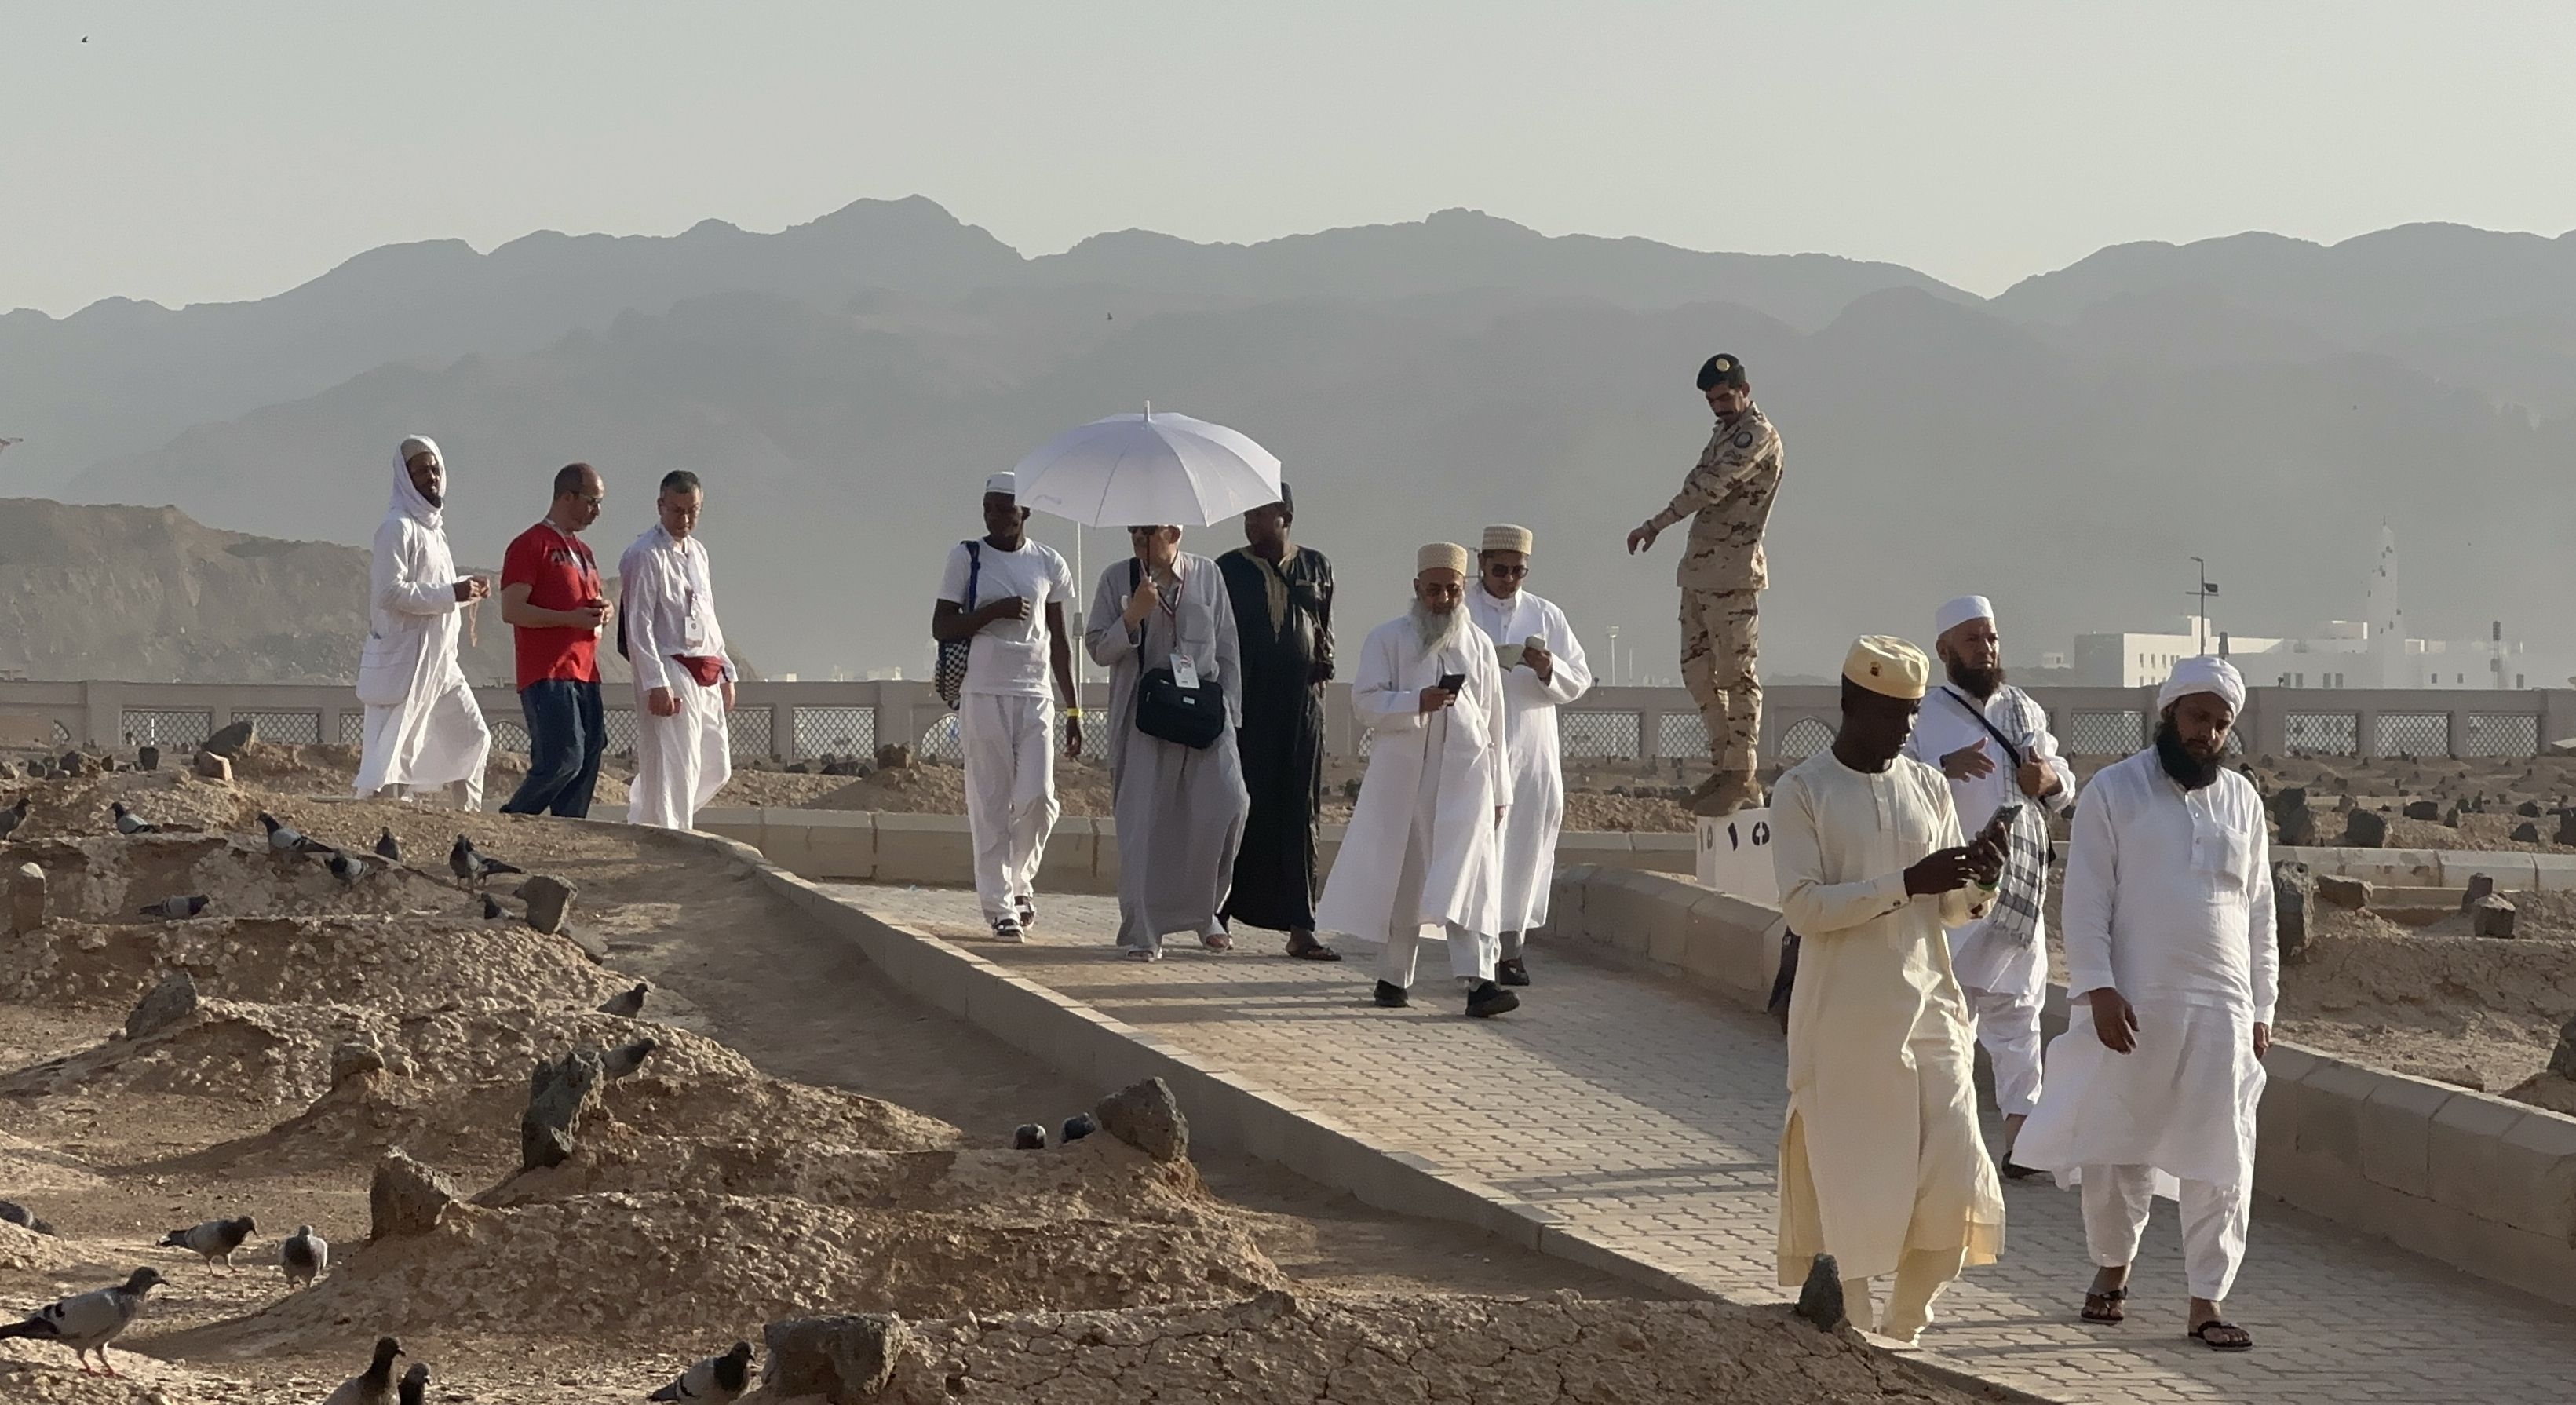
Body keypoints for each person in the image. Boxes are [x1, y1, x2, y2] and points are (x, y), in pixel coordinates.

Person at [2012, 656, 2274, 1353]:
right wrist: (2095, 985)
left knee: (2225, 1153)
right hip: (2133, 1000)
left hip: (2223, 1004)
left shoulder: (2242, 802)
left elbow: (2260, 912)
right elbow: (2088, 896)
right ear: (2169, 715)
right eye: (2197, 718)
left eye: (2221, 724)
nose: (2208, 735)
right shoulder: (2113, 791)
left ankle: (2208, 1300)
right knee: (2117, 1142)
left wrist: (2264, 1008)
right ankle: (2111, 1269)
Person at [1768, 636, 2009, 1347]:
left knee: (1958, 1167)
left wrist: (1981, 881)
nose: (1905, 730)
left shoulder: (1928, 786)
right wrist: (1907, 882)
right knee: (1857, 1183)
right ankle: (1854, 1331)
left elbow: (1951, 906)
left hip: (1931, 1006)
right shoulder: (1803, 790)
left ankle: (1907, 1325)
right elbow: (1804, 908)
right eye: (1891, 714)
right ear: (1850, 705)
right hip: (1844, 1018)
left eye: (1911, 715)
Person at [1899, 595, 2074, 1172]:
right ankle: (1937, 1145)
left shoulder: (2024, 710)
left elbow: (2063, 783)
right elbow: (1891, 784)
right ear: (1945, 650)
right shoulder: (1924, 715)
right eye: (1973, 640)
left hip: (2021, 893)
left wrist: (2046, 777)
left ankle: (2023, 1148)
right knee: (1951, 1022)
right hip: (1957, 893)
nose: (1986, 648)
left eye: (1992, 637)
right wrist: (1940, 771)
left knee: (2020, 1021)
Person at [1315, 543, 1517, 1018]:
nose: (1443, 600)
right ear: (1416, 589)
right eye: (1434, 590)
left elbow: (1495, 722)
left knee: (1469, 879)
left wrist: (1501, 790)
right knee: (1407, 880)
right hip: (1407, 781)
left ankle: (1479, 983)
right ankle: (1392, 978)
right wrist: (1414, 702)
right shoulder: (1388, 639)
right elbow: (1365, 703)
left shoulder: (1480, 645)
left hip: (1467, 782)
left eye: (1451, 590)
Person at [1625, 352, 1785, 816]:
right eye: (1712, 401)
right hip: (1700, 573)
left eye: (1725, 397)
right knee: (1698, 673)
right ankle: (1723, 768)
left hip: (1733, 577)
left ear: (1745, 391)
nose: (1719, 407)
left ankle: (1741, 773)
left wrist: (1655, 524)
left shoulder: (1755, 436)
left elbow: (1707, 488)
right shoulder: (1724, 433)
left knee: (1736, 676)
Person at [1085, 524, 1250, 962]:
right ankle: (1144, 930)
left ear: (1174, 531)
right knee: (1145, 827)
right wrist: (1133, 615)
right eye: (1134, 532)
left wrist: (1231, 717)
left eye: (1149, 532)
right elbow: (1099, 649)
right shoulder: (1116, 580)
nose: (1139, 540)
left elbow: (1228, 648)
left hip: (1203, 717)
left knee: (1229, 804)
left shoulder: (1209, 576)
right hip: (1144, 719)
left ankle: (1206, 912)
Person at [932, 473, 1082, 941]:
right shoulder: (967, 557)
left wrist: (1074, 709)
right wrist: (993, 612)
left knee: (1039, 800)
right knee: (991, 802)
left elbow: (1060, 641)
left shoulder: (1049, 563)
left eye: (1006, 509)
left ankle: (1020, 884)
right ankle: (999, 906)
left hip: (1035, 695)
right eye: (989, 508)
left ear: (1026, 512)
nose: (997, 517)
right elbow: (942, 625)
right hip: (983, 692)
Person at [1216, 486, 1341, 960]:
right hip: (1247, 708)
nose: (1250, 523)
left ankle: (1301, 926)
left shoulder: (1317, 566)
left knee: (1299, 813)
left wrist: (1324, 661)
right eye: (1246, 514)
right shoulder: (1228, 569)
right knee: (1240, 806)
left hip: (1301, 710)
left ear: (1285, 516)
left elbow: (1325, 627)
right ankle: (1218, 912)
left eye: (1259, 514)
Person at [1465, 524, 1592, 986]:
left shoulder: (1546, 615)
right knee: (1476, 847)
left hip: (1532, 749)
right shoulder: (1461, 609)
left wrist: (1547, 667)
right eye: (1500, 570)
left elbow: (1579, 678)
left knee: (1524, 849)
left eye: (1518, 572)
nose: (1509, 580)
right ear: (1482, 564)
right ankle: (1475, 952)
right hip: (1478, 743)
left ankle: (1511, 950)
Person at [355, 434, 492, 809]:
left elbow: (437, 590)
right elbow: (391, 593)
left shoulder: (435, 531)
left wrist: (466, 590)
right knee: (395, 757)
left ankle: (469, 820)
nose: (430, 477)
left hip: (441, 662)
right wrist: (453, 594)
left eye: (434, 469)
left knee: (472, 736)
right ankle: (384, 825)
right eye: (420, 471)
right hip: (409, 663)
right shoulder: (397, 528)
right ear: (405, 477)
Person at [619, 470, 735, 831]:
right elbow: (638, 624)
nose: (684, 520)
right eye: (677, 511)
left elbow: (708, 615)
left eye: (692, 511)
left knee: (715, 765)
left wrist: (726, 669)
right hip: (669, 667)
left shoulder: (698, 553)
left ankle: (650, 818)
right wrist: (654, 681)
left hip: (705, 666)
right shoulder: (644, 556)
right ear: (661, 506)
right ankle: (674, 831)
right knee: (676, 762)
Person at [497, 463, 611, 818]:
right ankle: (516, 816)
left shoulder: (585, 552)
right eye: (592, 501)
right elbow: (513, 609)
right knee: (563, 757)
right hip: (548, 671)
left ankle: (568, 826)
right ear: (567, 497)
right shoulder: (531, 545)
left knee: (590, 752)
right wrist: (567, 619)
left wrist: (602, 611)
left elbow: (585, 601)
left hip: (585, 671)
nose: (597, 511)